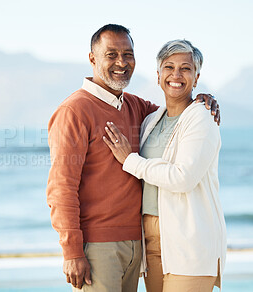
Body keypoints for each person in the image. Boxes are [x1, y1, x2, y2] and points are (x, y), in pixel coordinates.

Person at [46, 24, 220, 292]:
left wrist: (202, 99)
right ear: (92, 58)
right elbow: (61, 188)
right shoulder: (74, 111)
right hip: (98, 246)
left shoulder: (138, 108)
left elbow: (175, 112)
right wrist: (71, 251)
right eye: (111, 54)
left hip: (139, 247)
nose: (121, 63)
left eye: (128, 54)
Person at [103, 39, 226, 292]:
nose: (176, 75)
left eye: (186, 68)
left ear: (196, 76)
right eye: (169, 67)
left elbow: (183, 177)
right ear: (158, 76)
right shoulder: (151, 120)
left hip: (188, 241)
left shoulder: (202, 117)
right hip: (152, 242)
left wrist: (130, 161)